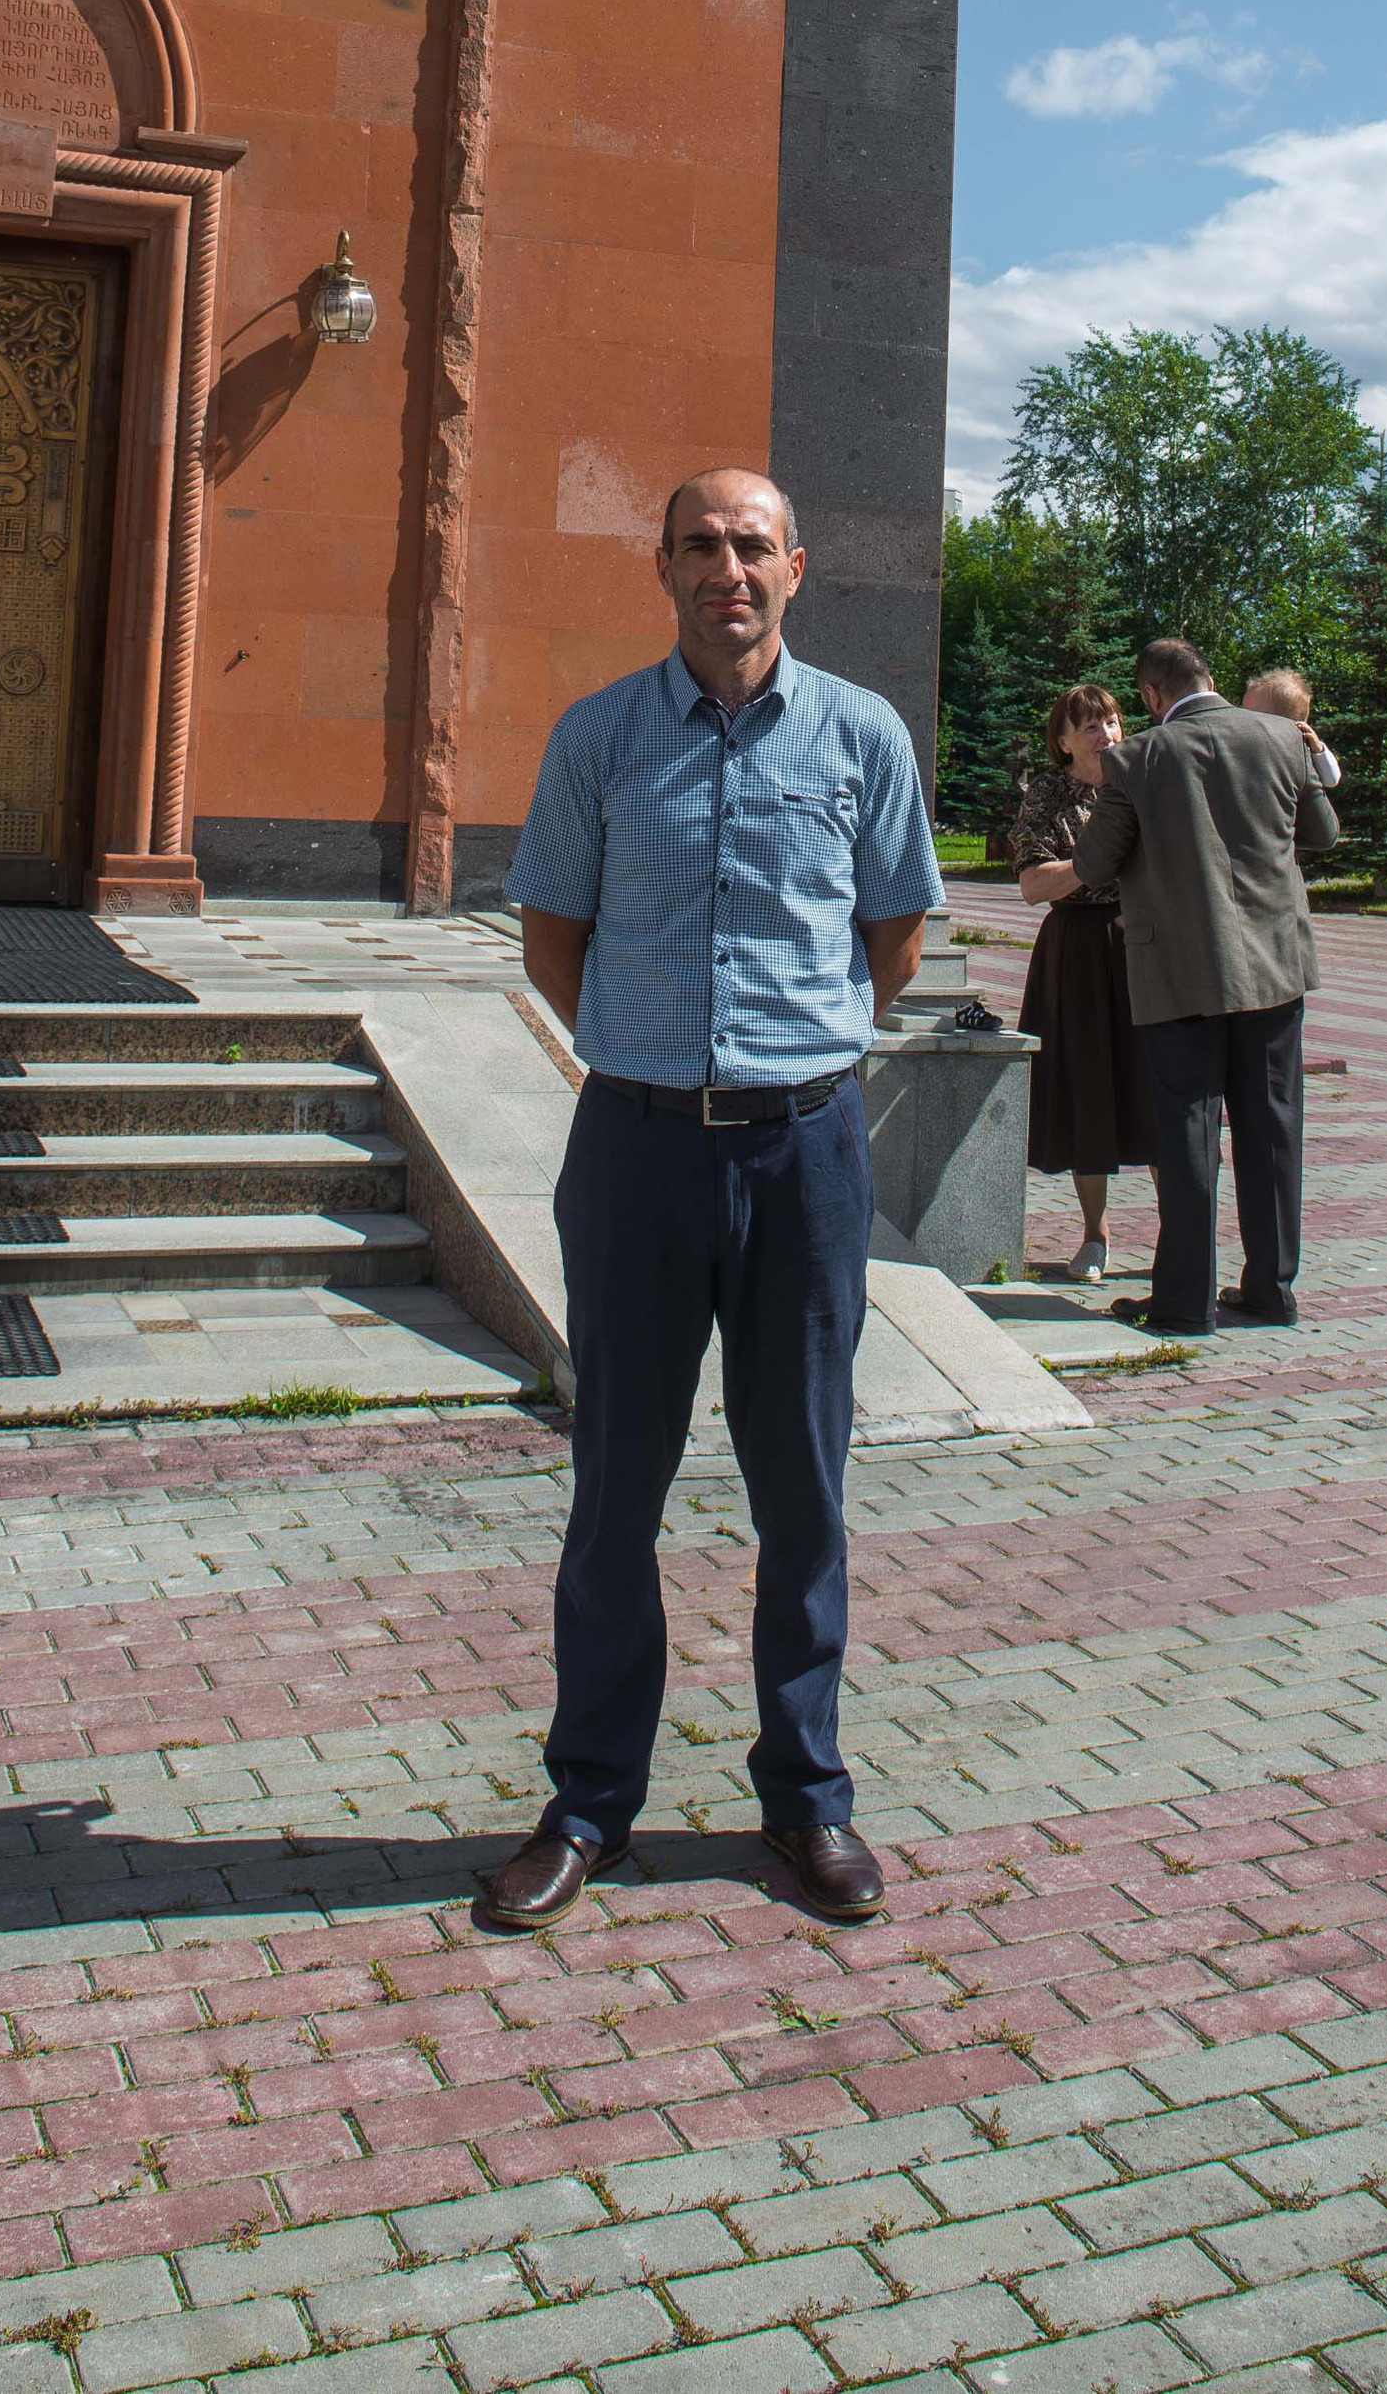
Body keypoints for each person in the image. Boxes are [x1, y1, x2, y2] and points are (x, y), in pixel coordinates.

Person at [490, 467, 942, 1936]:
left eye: (752, 544)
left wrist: (785, 1058)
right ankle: (588, 1802)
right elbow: (552, 933)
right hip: (635, 1150)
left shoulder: (863, 734)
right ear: (664, 564)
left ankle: (807, 1795)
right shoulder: (602, 736)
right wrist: (654, 1053)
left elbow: (893, 934)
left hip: (803, 1154)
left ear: (795, 567)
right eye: (701, 543)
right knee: (616, 1482)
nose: (727, 567)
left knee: (803, 1484)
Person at [1073, 636, 1338, 1337]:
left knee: (1189, 1133)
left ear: (1153, 696)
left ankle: (1184, 1303)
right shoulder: (1282, 737)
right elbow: (1322, 831)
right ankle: (1272, 1291)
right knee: (1274, 1129)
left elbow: (1097, 861)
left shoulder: (1136, 759)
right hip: (1276, 966)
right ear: (1210, 678)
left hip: (1178, 972)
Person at [1012, 684, 1151, 1284]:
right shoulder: (1048, 793)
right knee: (1086, 1089)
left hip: (1146, 949)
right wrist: (1091, 865)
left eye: (1113, 722)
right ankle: (1095, 1234)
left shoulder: (1148, 779)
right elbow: (1033, 883)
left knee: (1158, 1087)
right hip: (1077, 952)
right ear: (1063, 741)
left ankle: (1181, 1235)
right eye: (1090, 726)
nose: (1107, 735)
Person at [1244, 668, 1341, 791]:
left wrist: (1319, 750)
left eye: (1251, 713)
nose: (1243, 717)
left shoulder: (1302, 744)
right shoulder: (1248, 740)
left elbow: (1331, 779)